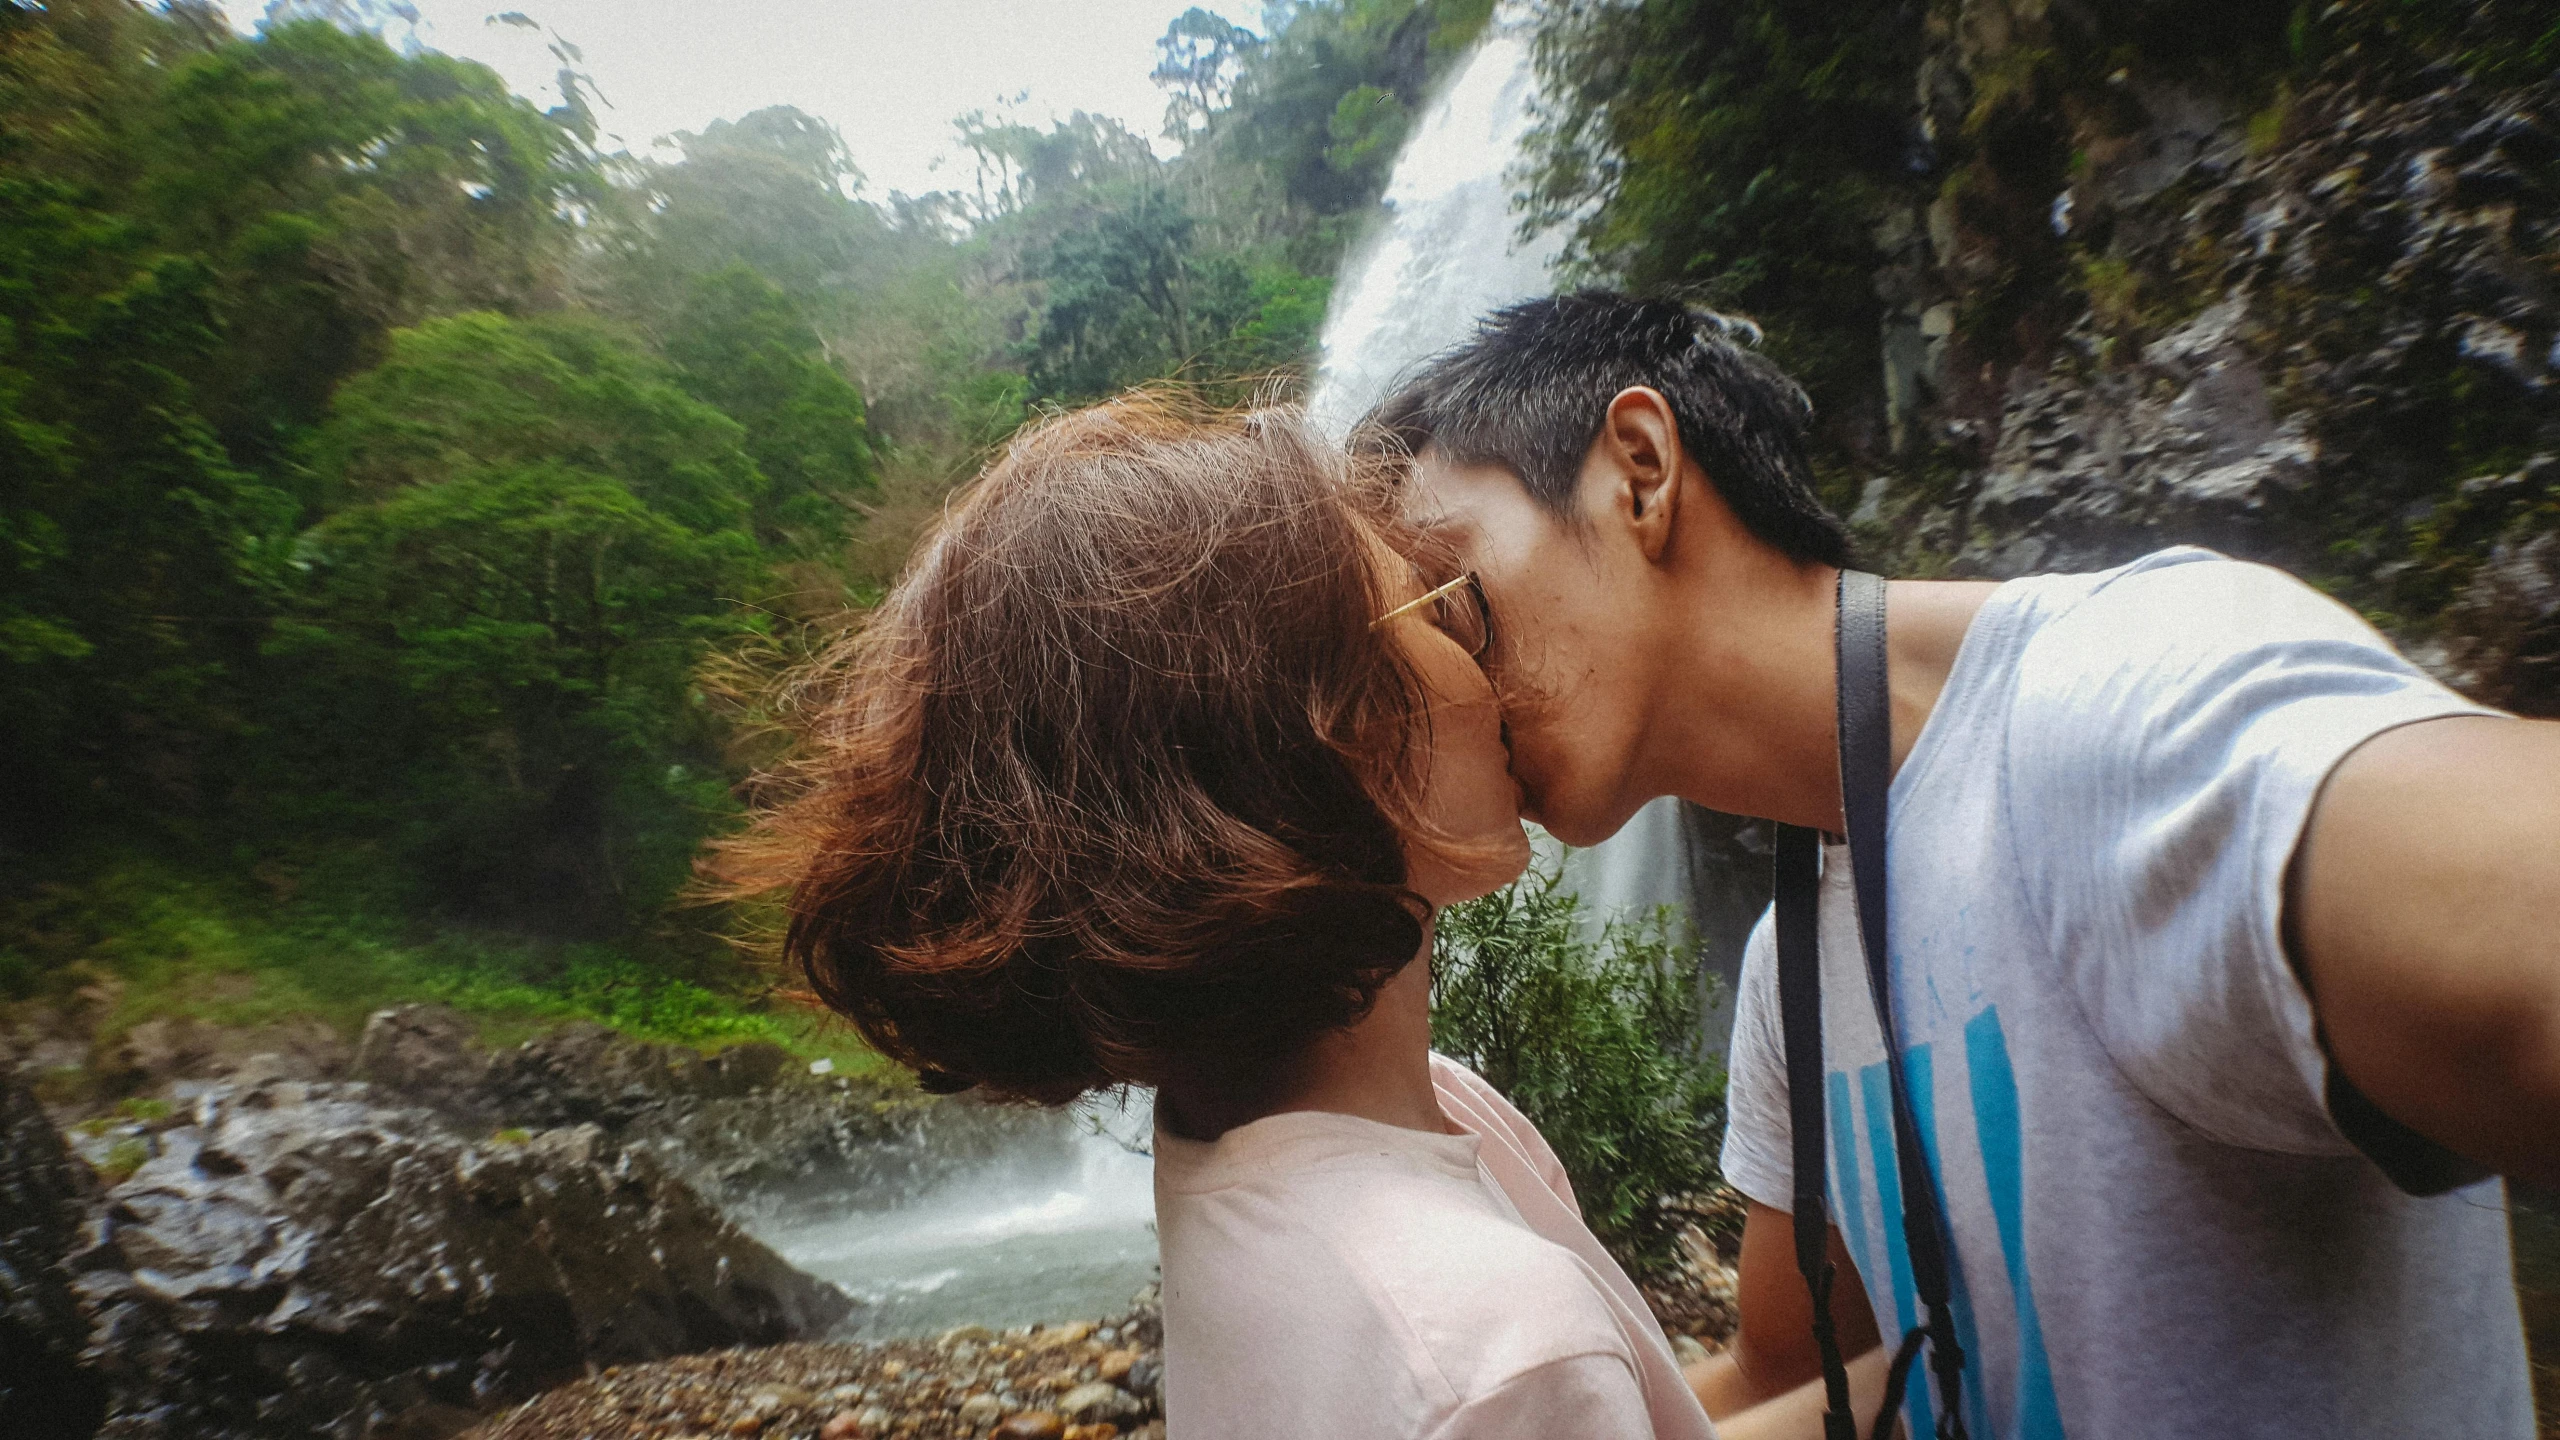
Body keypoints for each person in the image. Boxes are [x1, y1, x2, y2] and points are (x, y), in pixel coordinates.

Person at [1361, 291, 2560, 1439]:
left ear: (1640, 468)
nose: (1443, 691)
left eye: (1449, 599)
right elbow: (1797, 1372)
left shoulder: (2119, 713)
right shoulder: (1796, 975)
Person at [716, 395, 1879, 1439]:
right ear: (1304, 747)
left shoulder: (1257, 1148)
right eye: (1446, 608)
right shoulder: (1495, 1352)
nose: (1499, 656)